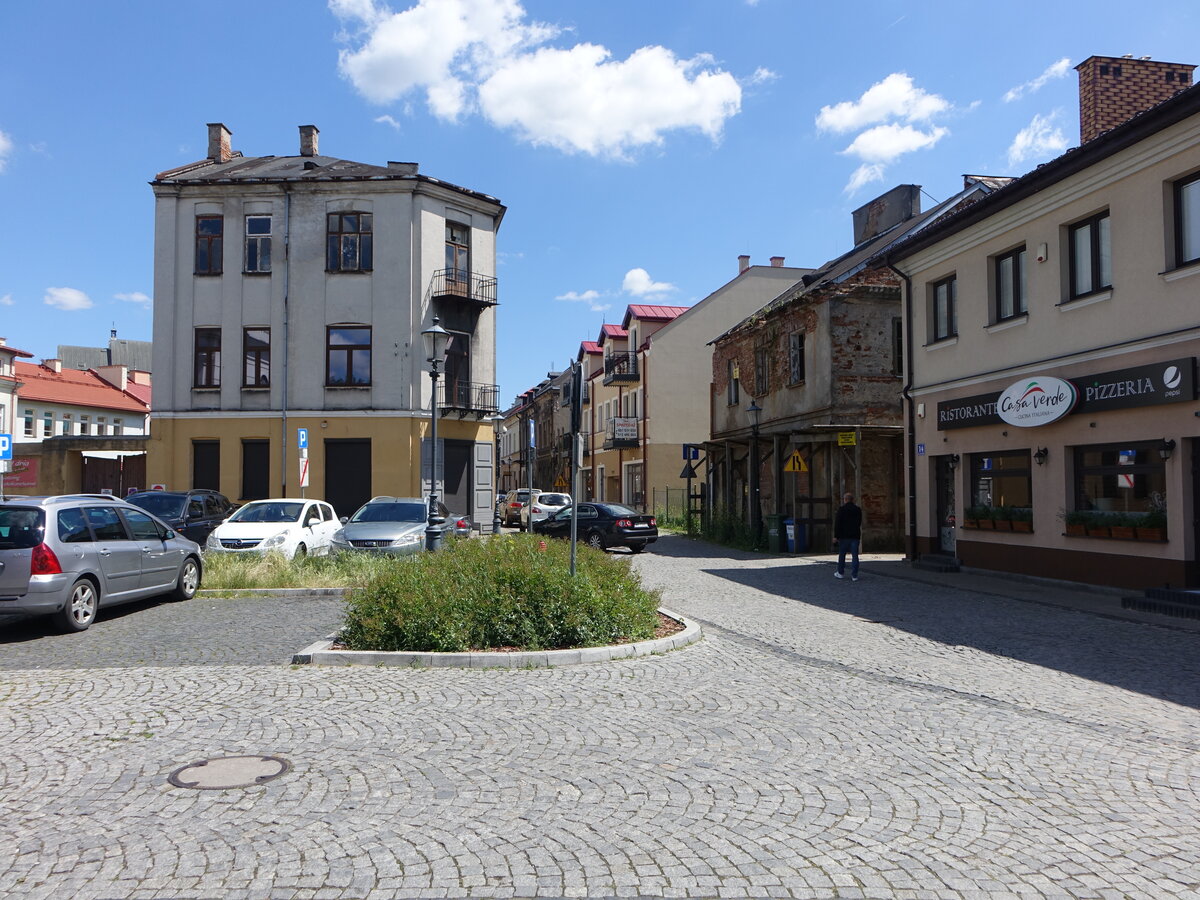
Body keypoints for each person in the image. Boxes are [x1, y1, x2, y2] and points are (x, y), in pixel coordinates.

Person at [833, 492, 863, 582]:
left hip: (844, 536)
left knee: (842, 555)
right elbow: (859, 522)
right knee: (855, 556)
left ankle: (840, 572)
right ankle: (854, 575)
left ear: (845, 500)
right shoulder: (858, 509)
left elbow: (837, 523)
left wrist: (836, 536)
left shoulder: (842, 509)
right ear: (852, 500)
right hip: (855, 535)